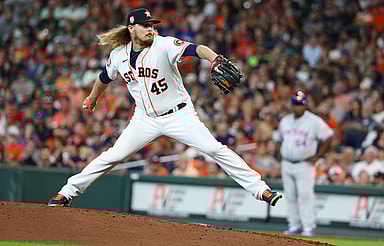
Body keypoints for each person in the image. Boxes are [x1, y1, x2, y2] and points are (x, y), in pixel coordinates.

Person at [48, 8, 282, 208]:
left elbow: (196, 49)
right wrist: (92, 97)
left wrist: (214, 59)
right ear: (131, 29)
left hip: (179, 115)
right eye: (145, 25)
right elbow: (104, 77)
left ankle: (261, 190)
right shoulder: (118, 55)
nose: (150, 29)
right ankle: (67, 193)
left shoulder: (164, 45)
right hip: (144, 119)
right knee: (112, 156)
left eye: (151, 25)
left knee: (215, 149)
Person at [276, 91, 334, 236]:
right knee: (290, 196)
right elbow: (278, 139)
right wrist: (279, 155)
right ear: (292, 105)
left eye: (300, 105)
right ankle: (294, 225)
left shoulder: (314, 121)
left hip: (304, 164)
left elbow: (329, 137)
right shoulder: (285, 120)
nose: (298, 108)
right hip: (287, 163)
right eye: (295, 104)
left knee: (305, 196)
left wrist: (318, 155)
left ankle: (308, 227)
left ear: (305, 105)